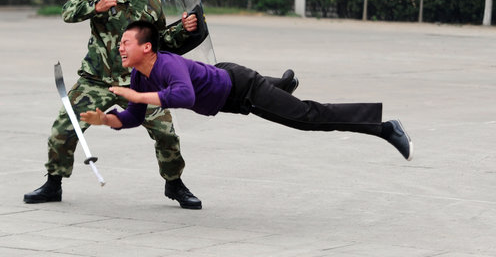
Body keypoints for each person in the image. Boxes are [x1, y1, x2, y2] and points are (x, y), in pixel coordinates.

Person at [24, 0, 287, 209]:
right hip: (96, 79)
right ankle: (53, 183)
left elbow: (159, 45)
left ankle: (174, 184)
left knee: (167, 134)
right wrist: (97, 5)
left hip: (140, 82)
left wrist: (182, 30)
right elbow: (68, 11)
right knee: (64, 129)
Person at [80, 21, 414, 168]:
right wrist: (107, 119)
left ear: (147, 47)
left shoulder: (166, 66)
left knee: (308, 118)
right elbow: (133, 118)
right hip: (231, 84)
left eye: (126, 43)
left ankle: (385, 127)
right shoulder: (140, 76)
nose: (120, 47)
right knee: (276, 98)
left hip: (243, 89)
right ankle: (281, 86)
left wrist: (137, 98)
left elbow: (182, 97)